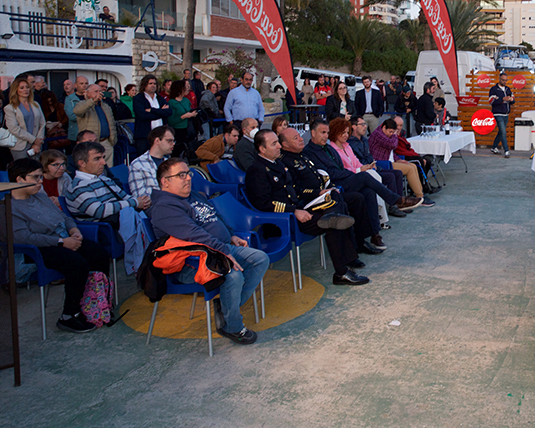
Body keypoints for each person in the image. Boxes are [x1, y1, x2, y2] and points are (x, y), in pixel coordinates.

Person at [149, 158, 267, 344]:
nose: (188, 178)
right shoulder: (164, 207)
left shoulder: (194, 195)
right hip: (192, 262)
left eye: (188, 173)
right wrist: (224, 251)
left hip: (218, 250)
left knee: (260, 259)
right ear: (165, 181)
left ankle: (226, 306)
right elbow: (193, 234)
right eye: (181, 175)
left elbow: (216, 217)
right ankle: (233, 326)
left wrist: (231, 236)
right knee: (233, 275)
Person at [245, 130, 369, 285]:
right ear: (262, 149)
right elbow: (262, 204)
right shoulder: (257, 170)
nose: (278, 146)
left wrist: (319, 193)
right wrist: (294, 211)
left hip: (299, 209)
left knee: (335, 199)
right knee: (332, 223)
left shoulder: (277, 163)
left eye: (278, 142)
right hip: (282, 220)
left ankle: (348, 257)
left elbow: (295, 190)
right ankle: (341, 272)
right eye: (274, 144)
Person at [8, 158, 110, 333]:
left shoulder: (40, 196)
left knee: (98, 253)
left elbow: (63, 217)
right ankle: (69, 315)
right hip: (39, 249)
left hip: (63, 238)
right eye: (35, 177)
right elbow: (24, 238)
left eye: (41, 177)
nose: (40, 182)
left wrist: (74, 230)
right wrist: (62, 242)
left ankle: (95, 304)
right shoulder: (10, 207)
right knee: (76, 263)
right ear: (19, 179)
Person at [302, 118, 424, 251]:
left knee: (369, 192)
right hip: (334, 186)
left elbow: (343, 167)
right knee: (365, 177)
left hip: (346, 178)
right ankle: (395, 200)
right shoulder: (310, 152)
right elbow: (330, 173)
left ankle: (372, 234)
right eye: (323, 132)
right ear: (313, 133)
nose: (326, 136)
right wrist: (356, 172)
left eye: (327, 132)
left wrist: (359, 169)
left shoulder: (329, 148)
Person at [278, 127, 382, 255]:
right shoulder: (286, 161)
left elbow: (322, 176)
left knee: (359, 197)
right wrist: (318, 192)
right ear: (285, 144)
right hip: (309, 200)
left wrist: (330, 187)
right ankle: (349, 252)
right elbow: (296, 190)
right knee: (340, 205)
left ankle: (361, 241)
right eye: (296, 138)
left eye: (299, 136)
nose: (301, 139)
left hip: (324, 192)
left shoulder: (303, 155)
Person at [65, 141, 150, 225]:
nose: (104, 162)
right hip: (103, 229)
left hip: (122, 220)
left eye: (103, 157)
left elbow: (125, 197)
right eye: (97, 159)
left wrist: (143, 201)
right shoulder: (78, 187)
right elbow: (99, 211)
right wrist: (135, 202)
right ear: (82, 163)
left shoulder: (104, 179)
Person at [367, 117, 436, 201]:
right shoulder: (378, 135)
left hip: (391, 161)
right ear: (384, 127)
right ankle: (420, 196)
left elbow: (390, 152)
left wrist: (398, 159)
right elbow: (392, 145)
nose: (392, 134)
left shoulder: (385, 133)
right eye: (390, 132)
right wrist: (395, 135)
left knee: (413, 166)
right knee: (410, 169)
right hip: (383, 163)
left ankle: (420, 193)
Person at [347, 115, 406, 197]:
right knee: (390, 176)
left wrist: (372, 162)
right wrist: (369, 164)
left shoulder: (364, 140)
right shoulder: (350, 143)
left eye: (365, 124)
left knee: (398, 173)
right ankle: (395, 202)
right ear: (354, 127)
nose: (365, 126)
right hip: (364, 170)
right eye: (362, 124)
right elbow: (358, 160)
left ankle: (400, 200)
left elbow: (369, 155)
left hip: (373, 166)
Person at [73, 84, 117, 165]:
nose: (99, 93)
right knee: (93, 166)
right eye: (96, 91)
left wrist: (112, 140)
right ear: (88, 93)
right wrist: (92, 101)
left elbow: (112, 123)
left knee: (108, 167)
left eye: (100, 91)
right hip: (90, 144)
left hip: (106, 142)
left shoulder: (105, 106)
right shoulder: (82, 104)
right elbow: (77, 111)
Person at [4, 76, 46, 160]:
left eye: (27, 87)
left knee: (36, 166)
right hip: (20, 146)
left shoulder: (35, 105)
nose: (25, 90)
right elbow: (14, 128)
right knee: (23, 167)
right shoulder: (10, 108)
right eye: (22, 88)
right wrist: (33, 139)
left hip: (36, 145)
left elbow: (42, 123)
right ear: (16, 90)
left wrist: (38, 142)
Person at [128, 125, 175, 199]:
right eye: (169, 141)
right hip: (156, 204)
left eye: (173, 141)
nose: (173, 144)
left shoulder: (172, 164)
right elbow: (140, 197)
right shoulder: (137, 164)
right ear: (157, 141)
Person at [133, 75, 172, 155]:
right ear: (144, 85)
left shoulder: (160, 98)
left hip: (161, 136)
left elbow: (169, 112)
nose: (153, 85)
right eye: (150, 83)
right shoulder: (138, 99)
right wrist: (161, 112)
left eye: (154, 83)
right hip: (144, 136)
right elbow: (142, 115)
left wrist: (152, 110)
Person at [166, 80, 199, 153]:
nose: (187, 89)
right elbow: (171, 121)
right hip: (178, 130)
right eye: (184, 87)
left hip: (188, 129)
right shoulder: (172, 102)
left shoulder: (186, 100)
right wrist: (183, 117)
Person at [488, 73, 514, 157]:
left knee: (501, 132)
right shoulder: (494, 89)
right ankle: (506, 150)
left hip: (506, 113)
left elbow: (513, 100)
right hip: (498, 113)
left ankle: (494, 147)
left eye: (506, 80)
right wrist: (502, 99)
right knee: (503, 132)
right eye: (503, 80)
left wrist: (511, 99)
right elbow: (491, 101)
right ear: (499, 79)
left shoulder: (508, 89)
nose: (504, 82)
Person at [64, 75, 89, 141]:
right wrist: (88, 116)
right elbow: (72, 116)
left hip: (91, 132)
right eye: (81, 83)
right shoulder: (70, 99)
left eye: (86, 83)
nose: (84, 85)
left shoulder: (91, 98)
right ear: (75, 85)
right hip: (76, 133)